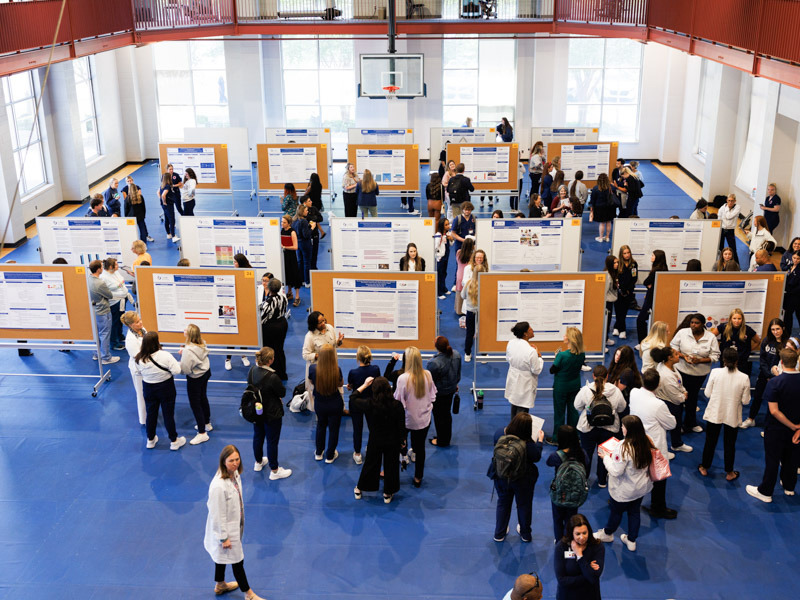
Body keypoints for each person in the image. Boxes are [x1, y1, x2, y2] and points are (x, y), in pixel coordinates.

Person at [203, 445, 265, 600]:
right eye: (231, 460)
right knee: (237, 561)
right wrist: (223, 537)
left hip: (234, 524)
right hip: (225, 530)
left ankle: (220, 584)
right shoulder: (218, 486)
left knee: (221, 557)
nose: (235, 463)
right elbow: (217, 514)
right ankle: (248, 594)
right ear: (223, 461)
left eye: (237, 459)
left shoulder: (235, 474)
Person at [747, 347, 800, 503]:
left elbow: (775, 411)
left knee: (772, 460)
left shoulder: (775, 382)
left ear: (781, 362)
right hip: (796, 431)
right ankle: (789, 487)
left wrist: (792, 426)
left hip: (776, 429)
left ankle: (765, 491)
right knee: (792, 457)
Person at [594, 415, 654, 552]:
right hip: (640, 487)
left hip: (624, 490)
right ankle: (632, 540)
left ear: (629, 430)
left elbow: (616, 471)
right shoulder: (646, 441)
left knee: (616, 512)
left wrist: (606, 458)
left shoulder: (624, 447)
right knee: (634, 512)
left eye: (623, 426)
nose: (621, 428)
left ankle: (607, 534)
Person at [629, 369, 678, 519]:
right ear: (658, 384)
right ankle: (658, 508)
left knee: (634, 474)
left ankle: (626, 502)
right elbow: (672, 424)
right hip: (653, 446)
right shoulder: (658, 405)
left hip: (635, 442)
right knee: (659, 478)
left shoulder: (634, 393)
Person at [488, 413, 543, 543]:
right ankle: (525, 534)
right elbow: (536, 457)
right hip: (523, 479)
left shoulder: (499, 433)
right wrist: (540, 441)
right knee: (524, 505)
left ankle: (499, 533)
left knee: (503, 503)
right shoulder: (528, 444)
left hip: (501, 475)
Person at [352, 377, 406, 504]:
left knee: (370, 464)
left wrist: (364, 385)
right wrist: (403, 441)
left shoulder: (370, 404)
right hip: (392, 441)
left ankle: (360, 489)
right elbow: (401, 425)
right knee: (391, 466)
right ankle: (388, 493)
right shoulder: (397, 405)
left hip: (375, 439)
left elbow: (353, 398)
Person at [699, 347, 751, 481]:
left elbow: (707, 393)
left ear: (723, 360)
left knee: (710, 441)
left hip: (715, 412)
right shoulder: (744, 378)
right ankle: (729, 472)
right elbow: (746, 401)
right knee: (730, 444)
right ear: (737, 361)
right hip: (732, 415)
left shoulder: (715, 372)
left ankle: (704, 467)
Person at [574, 365, 626, 487]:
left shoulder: (586, 390)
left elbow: (577, 406)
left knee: (586, 454)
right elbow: (622, 408)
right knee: (606, 455)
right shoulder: (615, 390)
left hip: (588, 428)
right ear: (607, 376)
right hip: (609, 428)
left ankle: (584, 481)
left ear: (593, 376)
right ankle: (602, 480)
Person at [134, 331, 185, 450]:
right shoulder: (165, 355)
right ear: (156, 342)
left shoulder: (139, 358)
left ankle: (150, 440)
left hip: (148, 387)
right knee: (168, 414)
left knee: (151, 414)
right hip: (166, 387)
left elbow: (139, 371)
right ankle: (174, 441)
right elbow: (177, 371)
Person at [395, 347, 437, 487]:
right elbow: (433, 396)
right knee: (421, 448)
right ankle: (418, 477)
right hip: (424, 420)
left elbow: (398, 401)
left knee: (400, 442)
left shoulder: (402, 379)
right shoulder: (428, 375)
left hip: (406, 420)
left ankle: (403, 457)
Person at [671, 312, 719, 433]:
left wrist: (701, 360)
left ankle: (690, 423)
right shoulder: (682, 333)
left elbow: (715, 356)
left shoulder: (711, 337)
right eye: (692, 322)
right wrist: (683, 356)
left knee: (692, 398)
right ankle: (677, 425)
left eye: (696, 323)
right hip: (681, 371)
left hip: (699, 374)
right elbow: (673, 347)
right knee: (680, 398)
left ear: (703, 324)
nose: (693, 325)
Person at [248, 347, 291, 480]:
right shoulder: (273, 377)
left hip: (257, 410)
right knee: (272, 441)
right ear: (270, 360)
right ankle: (274, 470)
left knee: (258, 436)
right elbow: (282, 392)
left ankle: (258, 462)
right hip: (272, 413)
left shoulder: (252, 370)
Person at [546, 425, 589, 540]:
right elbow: (587, 464)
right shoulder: (582, 453)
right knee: (571, 519)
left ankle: (559, 541)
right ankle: (570, 540)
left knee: (558, 519)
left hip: (559, 492)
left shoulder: (556, 456)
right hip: (576, 493)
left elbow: (548, 463)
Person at [741, 318, 786, 428]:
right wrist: (768, 375)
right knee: (757, 397)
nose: (775, 332)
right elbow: (762, 360)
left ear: (783, 329)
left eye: (778, 329)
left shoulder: (787, 343)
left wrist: (775, 376)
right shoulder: (766, 341)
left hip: (780, 378)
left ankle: (771, 425)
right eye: (773, 329)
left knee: (776, 402)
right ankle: (751, 419)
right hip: (765, 376)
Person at [554, 514, 604, 600]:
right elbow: (561, 580)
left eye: (584, 533)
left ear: (589, 531)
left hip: (590, 595)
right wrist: (587, 569)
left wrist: (580, 555)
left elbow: (593, 578)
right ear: (571, 534)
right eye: (578, 534)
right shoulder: (561, 547)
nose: (582, 537)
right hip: (567, 595)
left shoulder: (597, 547)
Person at [651, 345, 691, 453]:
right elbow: (676, 398)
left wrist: (684, 390)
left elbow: (678, 382)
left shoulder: (670, 366)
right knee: (667, 427)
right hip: (670, 403)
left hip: (673, 399)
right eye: (676, 354)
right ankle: (663, 450)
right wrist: (684, 396)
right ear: (670, 358)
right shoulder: (666, 375)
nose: (679, 354)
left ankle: (676, 443)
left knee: (676, 424)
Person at [549, 327, 585, 444]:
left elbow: (552, 370)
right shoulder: (581, 354)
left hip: (561, 387)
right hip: (574, 386)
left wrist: (556, 357)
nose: (564, 337)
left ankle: (557, 438)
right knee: (573, 412)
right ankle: (573, 436)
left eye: (565, 335)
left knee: (559, 413)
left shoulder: (562, 355)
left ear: (570, 339)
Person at [309, 344, 344, 463]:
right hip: (335, 403)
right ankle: (330, 455)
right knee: (334, 430)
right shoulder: (337, 369)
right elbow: (340, 384)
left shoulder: (313, 368)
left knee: (321, 426)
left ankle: (319, 453)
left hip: (320, 403)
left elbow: (311, 382)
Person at [347, 345, 381, 465]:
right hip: (371, 403)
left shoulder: (353, 372)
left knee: (357, 428)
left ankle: (357, 454)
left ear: (358, 358)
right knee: (373, 427)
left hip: (357, 403)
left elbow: (350, 386)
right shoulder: (375, 369)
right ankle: (371, 448)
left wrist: (350, 387)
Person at [180, 324, 212, 445]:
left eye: (186, 330)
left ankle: (202, 433)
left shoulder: (188, 351)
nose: (183, 330)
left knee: (195, 404)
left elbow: (185, 369)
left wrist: (182, 358)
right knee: (203, 397)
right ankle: (207, 423)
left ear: (189, 334)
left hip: (195, 378)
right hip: (206, 373)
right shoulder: (202, 343)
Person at [426, 336, 461, 448]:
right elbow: (458, 373)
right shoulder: (456, 355)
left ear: (436, 346)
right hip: (451, 390)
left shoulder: (434, 363)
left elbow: (430, 381)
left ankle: (442, 441)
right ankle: (446, 438)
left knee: (439, 417)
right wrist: (454, 384)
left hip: (439, 394)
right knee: (446, 414)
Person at [302, 311, 344, 401]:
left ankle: (340, 408)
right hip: (319, 369)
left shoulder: (330, 328)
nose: (323, 323)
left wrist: (339, 341)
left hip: (332, 364)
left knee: (336, 388)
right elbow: (305, 355)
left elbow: (334, 344)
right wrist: (320, 355)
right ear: (314, 324)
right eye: (320, 322)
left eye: (323, 320)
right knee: (321, 391)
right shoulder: (310, 336)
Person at [505, 322, 544, 417]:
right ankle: (519, 430)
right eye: (530, 329)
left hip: (513, 378)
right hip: (525, 383)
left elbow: (508, 359)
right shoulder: (531, 351)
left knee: (514, 405)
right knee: (522, 411)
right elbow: (536, 370)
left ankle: (513, 429)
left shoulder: (511, 343)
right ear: (525, 334)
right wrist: (539, 357)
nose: (533, 330)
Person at [224, 254, 253, 371]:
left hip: (244, 308)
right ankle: (228, 359)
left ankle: (244, 355)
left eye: (235, 262)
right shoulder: (232, 274)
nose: (234, 264)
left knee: (243, 334)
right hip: (232, 308)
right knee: (232, 334)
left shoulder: (249, 272)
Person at [88, 260, 120, 365]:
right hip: (103, 311)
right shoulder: (100, 282)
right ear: (98, 269)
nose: (103, 268)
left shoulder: (88, 280)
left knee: (97, 333)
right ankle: (106, 357)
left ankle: (97, 354)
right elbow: (109, 295)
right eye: (101, 267)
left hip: (94, 311)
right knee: (105, 334)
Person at [259, 276, 289, 382]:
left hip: (271, 327)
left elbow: (263, 316)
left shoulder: (268, 302)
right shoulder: (283, 297)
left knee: (269, 350)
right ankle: (282, 373)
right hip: (282, 324)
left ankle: (271, 373)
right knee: (279, 349)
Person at [121, 311, 147, 425]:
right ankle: (144, 419)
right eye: (137, 322)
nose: (140, 322)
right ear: (130, 325)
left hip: (147, 365)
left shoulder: (142, 329)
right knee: (141, 394)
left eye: (140, 319)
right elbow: (137, 357)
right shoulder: (130, 340)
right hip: (138, 369)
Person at [717, 308, 760, 376]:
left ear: (742, 319)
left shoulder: (747, 329)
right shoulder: (723, 327)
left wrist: (748, 350)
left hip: (741, 361)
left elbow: (758, 341)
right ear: (730, 318)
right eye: (734, 318)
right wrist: (717, 349)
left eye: (739, 318)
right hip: (726, 360)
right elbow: (711, 337)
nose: (737, 321)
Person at [637, 250, 668, 342]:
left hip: (651, 299)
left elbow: (646, 282)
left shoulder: (656, 270)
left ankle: (642, 342)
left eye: (653, 255)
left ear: (657, 258)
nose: (651, 257)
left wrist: (650, 286)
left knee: (640, 320)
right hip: (657, 297)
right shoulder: (664, 268)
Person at [100, 257, 130, 351]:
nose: (118, 266)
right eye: (116, 264)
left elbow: (121, 282)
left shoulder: (115, 272)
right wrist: (120, 284)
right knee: (115, 322)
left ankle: (120, 336)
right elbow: (113, 287)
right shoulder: (104, 277)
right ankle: (115, 343)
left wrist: (120, 284)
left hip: (122, 300)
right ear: (110, 266)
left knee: (121, 320)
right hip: (114, 302)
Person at [461, 263, 485, 362]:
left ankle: (467, 354)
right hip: (482, 312)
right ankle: (484, 354)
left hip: (470, 312)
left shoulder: (468, 283)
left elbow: (463, 296)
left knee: (469, 333)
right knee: (483, 333)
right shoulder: (485, 284)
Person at [613, 245, 638, 340]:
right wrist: (621, 288)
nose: (627, 255)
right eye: (625, 253)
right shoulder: (618, 264)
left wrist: (628, 289)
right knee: (618, 311)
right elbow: (616, 277)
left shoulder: (633, 264)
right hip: (618, 292)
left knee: (624, 312)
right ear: (621, 254)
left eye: (628, 253)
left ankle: (617, 327)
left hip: (628, 292)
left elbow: (634, 278)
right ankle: (621, 329)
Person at [121, 175, 153, 242]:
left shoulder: (128, 198)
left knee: (132, 231)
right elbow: (143, 207)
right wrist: (143, 215)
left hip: (131, 217)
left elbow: (126, 209)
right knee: (142, 230)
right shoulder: (140, 197)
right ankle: (144, 244)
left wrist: (126, 217)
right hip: (140, 216)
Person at [280, 215, 302, 306]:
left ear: (289, 223)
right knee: (287, 274)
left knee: (295, 275)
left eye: (284, 222)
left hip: (291, 256)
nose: (282, 224)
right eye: (282, 222)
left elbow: (295, 247)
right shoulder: (282, 231)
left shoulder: (292, 232)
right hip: (284, 256)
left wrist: (285, 247)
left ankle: (297, 297)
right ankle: (289, 293)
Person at [589, 173, 615, 242]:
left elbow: (592, 199)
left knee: (602, 223)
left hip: (599, 208)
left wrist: (592, 207)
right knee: (609, 222)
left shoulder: (596, 188)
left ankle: (600, 237)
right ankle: (607, 237)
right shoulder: (610, 187)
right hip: (610, 207)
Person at [301, 195, 324, 269]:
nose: (311, 202)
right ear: (304, 203)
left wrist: (313, 218)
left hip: (315, 235)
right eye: (309, 201)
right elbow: (305, 219)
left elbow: (320, 218)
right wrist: (313, 218)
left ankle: (314, 268)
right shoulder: (300, 211)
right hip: (306, 237)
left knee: (315, 253)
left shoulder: (314, 209)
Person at [717, 193, 741, 264]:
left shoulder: (737, 207)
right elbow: (719, 217)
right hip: (722, 229)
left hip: (730, 230)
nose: (730, 202)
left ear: (735, 201)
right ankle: (721, 263)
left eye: (732, 201)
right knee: (720, 248)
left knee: (733, 248)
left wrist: (727, 208)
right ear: (727, 200)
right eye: (729, 200)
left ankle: (737, 265)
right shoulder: (722, 208)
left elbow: (729, 216)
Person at [453, 236, 475, 315]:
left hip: (459, 274)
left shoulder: (459, 252)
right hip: (467, 275)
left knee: (459, 292)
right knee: (466, 292)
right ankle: (465, 310)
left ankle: (458, 309)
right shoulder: (472, 256)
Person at [293, 205, 313, 287]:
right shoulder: (303, 221)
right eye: (306, 210)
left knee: (300, 262)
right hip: (305, 244)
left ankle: (301, 280)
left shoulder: (294, 220)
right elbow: (306, 235)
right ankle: (307, 282)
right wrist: (311, 228)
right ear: (302, 211)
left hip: (298, 243)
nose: (307, 211)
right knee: (306, 263)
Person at [434, 218, 453, 299]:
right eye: (446, 225)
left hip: (446, 256)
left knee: (444, 273)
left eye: (448, 224)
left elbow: (450, 245)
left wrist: (451, 239)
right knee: (439, 274)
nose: (448, 226)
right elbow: (435, 247)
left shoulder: (447, 234)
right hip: (441, 258)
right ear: (442, 226)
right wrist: (439, 256)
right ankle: (438, 292)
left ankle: (443, 288)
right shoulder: (438, 235)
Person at [159, 172, 179, 242]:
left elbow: (158, 192)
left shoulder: (162, 185)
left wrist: (161, 201)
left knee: (167, 219)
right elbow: (163, 195)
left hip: (164, 206)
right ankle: (173, 236)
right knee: (172, 219)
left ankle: (169, 234)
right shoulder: (167, 186)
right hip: (168, 205)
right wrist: (164, 202)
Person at [604, 255, 619, 346]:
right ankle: (602, 343)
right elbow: (604, 291)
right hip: (606, 303)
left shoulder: (613, 273)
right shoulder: (608, 276)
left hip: (610, 302)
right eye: (614, 263)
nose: (617, 264)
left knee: (608, 321)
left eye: (617, 262)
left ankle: (605, 339)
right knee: (605, 322)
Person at [784, 250, 800, 335]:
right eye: (794, 258)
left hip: (795, 296)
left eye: (798, 258)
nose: (795, 260)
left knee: (797, 314)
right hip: (788, 295)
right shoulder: (790, 266)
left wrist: (790, 291)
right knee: (788, 314)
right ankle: (787, 332)